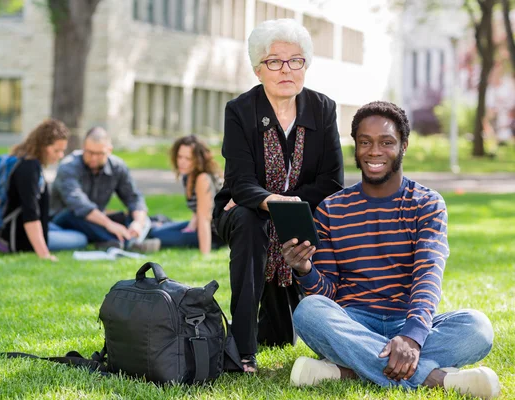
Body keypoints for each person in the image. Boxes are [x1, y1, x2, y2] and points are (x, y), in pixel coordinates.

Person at [283, 101, 500, 399]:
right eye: (365, 142)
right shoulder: (331, 210)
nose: (374, 151)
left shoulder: (427, 204)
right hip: (353, 320)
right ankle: (438, 380)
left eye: (386, 142)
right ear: (355, 147)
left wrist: (411, 337)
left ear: (403, 146)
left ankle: (345, 369)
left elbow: (428, 275)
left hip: (407, 318)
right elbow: (327, 294)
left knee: (478, 328)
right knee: (308, 312)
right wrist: (304, 271)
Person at [212, 19, 344, 372]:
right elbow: (240, 183)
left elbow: (332, 183)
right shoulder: (240, 110)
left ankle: (336, 330)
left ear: (306, 65)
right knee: (247, 217)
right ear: (258, 70)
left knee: (282, 336)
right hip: (244, 214)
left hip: (300, 215)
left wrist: (282, 202)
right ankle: (241, 348)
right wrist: (268, 202)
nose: (285, 69)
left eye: (295, 60)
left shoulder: (323, 108)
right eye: (274, 61)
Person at [50, 126, 159, 252]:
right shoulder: (68, 167)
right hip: (65, 219)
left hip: (98, 219)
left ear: (109, 150)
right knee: (76, 214)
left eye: (99, 154)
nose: (94, 158)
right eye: (89, 152)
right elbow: (80, 205)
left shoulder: (117, 167)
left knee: (134, 216)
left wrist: (138, 223)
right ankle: (128, 243)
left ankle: (120, 240)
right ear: (83, 148)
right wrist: (109, 224)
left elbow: (133, 197)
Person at [0, 119, 88, 260]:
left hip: (12, 230)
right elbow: (30, 214)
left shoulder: (25, 160)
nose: (61, 155)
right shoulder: (28, 168)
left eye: (62, 150)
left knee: (71, 229)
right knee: (81, 238)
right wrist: (44, 254)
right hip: (18, 238)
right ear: (43, 146)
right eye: (57, 150)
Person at [148, 135, 224, 254]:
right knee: (154, 230)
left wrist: (205, 254)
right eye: (180, 157)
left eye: (188, 159)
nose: (182, 162)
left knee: (156, 234)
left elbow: (205, 218)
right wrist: (189, 229)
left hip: (215, 235)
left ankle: (153, 234)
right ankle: (157, 226)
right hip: (199, 226)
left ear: (198, 160)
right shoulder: (187, 176)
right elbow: (198, 211)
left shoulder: (202, 179)